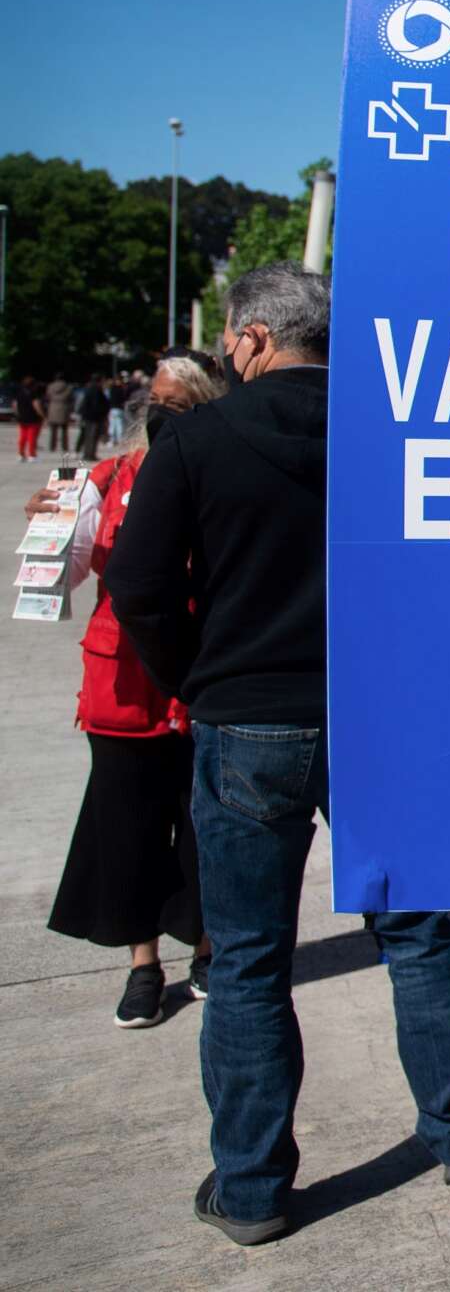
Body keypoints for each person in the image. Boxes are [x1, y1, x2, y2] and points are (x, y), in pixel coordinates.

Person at [107, 264, 450, 1245]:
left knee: (247, 958)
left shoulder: (197, 438)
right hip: (375, 716)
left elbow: (139, 583)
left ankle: (251, 1185)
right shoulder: (393, 430)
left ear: (250, 338)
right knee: (415, 931)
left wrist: (196, 675)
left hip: (245, 716)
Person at [46, 357, 228, 1027]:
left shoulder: (221, 470)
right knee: (127, 825)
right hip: (122, 677)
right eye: (155, 400)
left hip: (200, 670)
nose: (159, 413)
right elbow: (66, 575)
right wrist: (52, 531)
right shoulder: (107, 478)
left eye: (175, 403)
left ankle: (206, 946)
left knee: (205, 822)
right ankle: (142, 964)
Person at [75, 375, 112, 459]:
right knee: (92, 436)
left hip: (88, 416)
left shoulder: (89, 388)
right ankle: (90, 454)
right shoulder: (96, 389)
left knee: (88, 435)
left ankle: (88, 454)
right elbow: (97, 404)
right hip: (93, 417)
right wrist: (102, 413)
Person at [13, 378, 42, 460]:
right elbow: (36, 405)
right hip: (33, 418)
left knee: (22, 437)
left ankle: (21, 454)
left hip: (22, 418)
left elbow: (15, 405)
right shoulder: (33, 394)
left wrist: (18, 414)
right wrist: (42, 415)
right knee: (32, 437)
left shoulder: (19, 393)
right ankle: (32, 455)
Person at [45, 373, 73, 453]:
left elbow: (48, 396)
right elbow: (71, 398)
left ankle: (52, 446)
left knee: (53, 430)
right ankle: (65, 447)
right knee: (64, 430)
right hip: (64, 408)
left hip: (53, 408)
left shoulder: (50, 386)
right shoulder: (68, 387)